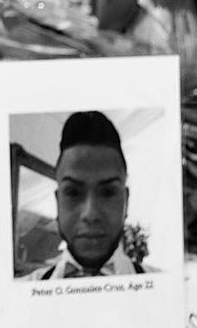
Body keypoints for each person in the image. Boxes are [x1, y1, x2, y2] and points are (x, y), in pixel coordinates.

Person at [36, 110, 141, 279]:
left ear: (126, 201)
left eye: (108, 192)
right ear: (58, 202)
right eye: (73, 193)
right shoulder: (18, 295)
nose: (90, 214)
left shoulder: (166, 289)